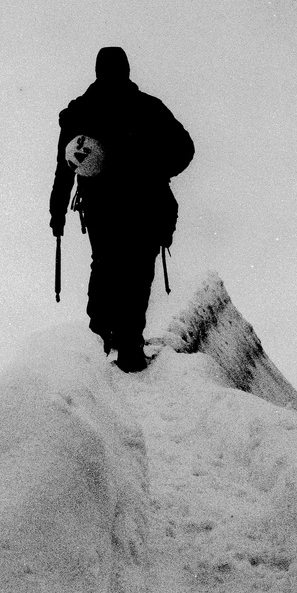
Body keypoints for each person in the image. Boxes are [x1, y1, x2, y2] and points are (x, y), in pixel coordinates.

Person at [49, 47, 194, 372]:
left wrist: (57, 211)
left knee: (105, 264)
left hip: (101, 207)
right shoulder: (149, 109)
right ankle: (130, 347)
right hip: (145, 202)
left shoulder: (81, 111)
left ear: (98, 71)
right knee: (138, 269)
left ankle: (100, 339)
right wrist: (156, 170)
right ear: (126, 70)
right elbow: (185, 149)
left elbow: (66, 166)